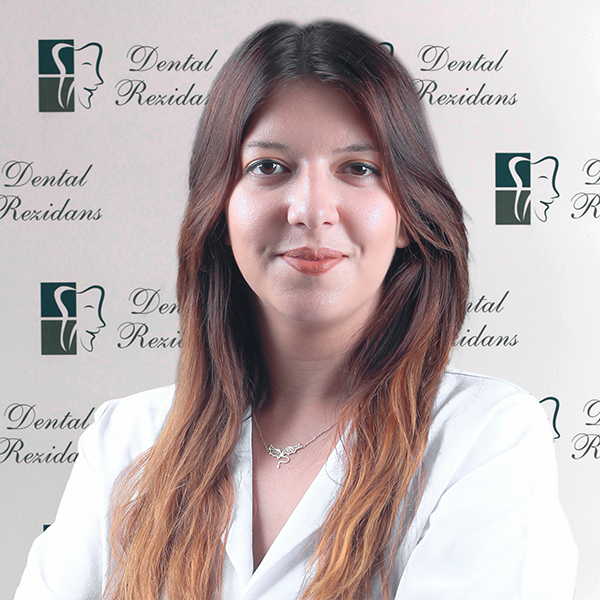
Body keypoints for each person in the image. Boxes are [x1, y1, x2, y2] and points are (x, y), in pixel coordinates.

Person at [15, 20, 577, 600]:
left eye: (359, 168)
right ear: (220, 211)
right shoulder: (124, 440)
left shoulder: (484, 435)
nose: (310, 209)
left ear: (408, 217)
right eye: (268, 167)